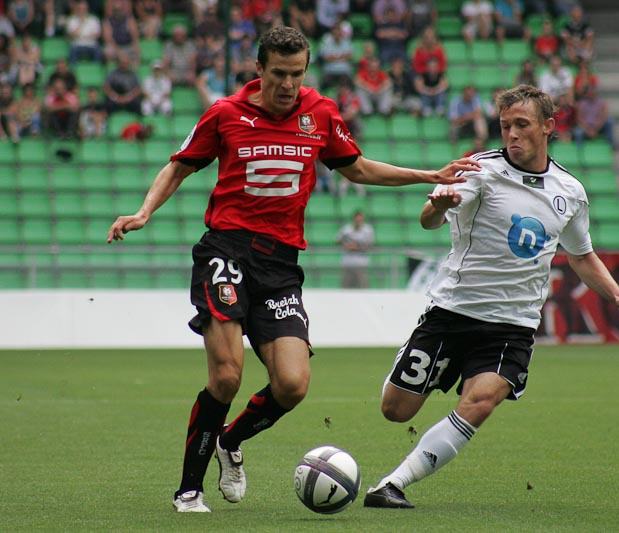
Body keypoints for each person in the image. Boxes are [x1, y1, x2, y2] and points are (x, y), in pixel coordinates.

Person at [105, 26, 478, 514]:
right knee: (226, 377)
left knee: (293, 384)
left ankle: (230, 441)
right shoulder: (226, 113)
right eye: (278, 74)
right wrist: (144, 211)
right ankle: (189, 490)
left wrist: (427, 176)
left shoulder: (320, 114)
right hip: (226, 251)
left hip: (281, 264)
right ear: (259, 69)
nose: (287, 84)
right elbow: (178, 166)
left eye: (296, 74)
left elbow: (358, 168)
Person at [362, 84, 619, 509]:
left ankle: (392, 484)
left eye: (522, 125)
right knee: (396, 409)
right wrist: (439, 206)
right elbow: (429, 219)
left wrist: (617, 295)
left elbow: (581, 254)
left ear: (549, 127)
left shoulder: (569, 191)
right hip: (453, 311)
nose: (512, 134)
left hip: (512, 325)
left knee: (480, 401)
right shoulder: (479, 169)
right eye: (505, 126)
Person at [336, 210, 375, 288]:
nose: (358, 221)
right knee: (346, 285)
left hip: (362, 263)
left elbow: (370, 245)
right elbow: (338, 240)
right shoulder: (346, 229)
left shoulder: (368, 230)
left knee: (363, 285)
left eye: (360, 220)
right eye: (357, 219)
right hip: (348, 262)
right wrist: (346, 246)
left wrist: (357, 247)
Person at [65, 0, 103, 65]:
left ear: (87, 9)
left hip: (91, 45)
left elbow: (97, 35)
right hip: (77, 45)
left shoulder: (94, 19)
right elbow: (71, 35)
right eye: (80, 9)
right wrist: (81, 23)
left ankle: (95, 70)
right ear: (77, 9)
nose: (82, 11)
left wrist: (80, 35)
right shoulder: (72, 20)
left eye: (84, 9)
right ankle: (74, 72)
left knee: (98, 51)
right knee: (72, 52)